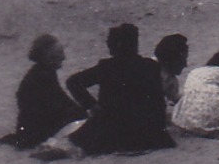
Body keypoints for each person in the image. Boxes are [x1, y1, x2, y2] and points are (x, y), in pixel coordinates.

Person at [57, 23, 176, 157]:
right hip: (149, 133)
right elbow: (158, 104)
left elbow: (73, 82)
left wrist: (91, 105)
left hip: (114, 132)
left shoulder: (107, 67)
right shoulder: (151, 66)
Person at [0, 34, 86, 149]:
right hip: (37, 132)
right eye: (59, 53)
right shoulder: (42, 76)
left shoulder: (41, 72)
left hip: (33, 128)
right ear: (48, 56)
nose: (63, 57)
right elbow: (59, 103)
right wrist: (83, 114)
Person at [154, 33, 191, 107]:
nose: (185, 65)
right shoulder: (148, 71)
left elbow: (175, 98)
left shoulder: (171, 81)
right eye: (182, 60)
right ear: (172, 60)